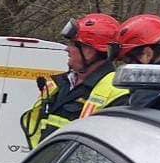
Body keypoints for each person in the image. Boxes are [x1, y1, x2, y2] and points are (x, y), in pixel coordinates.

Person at [23, 13, 119, 147]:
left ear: (90, 51)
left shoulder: (115, 92)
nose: (67, 49)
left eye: (73, 44)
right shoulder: (61, 83)